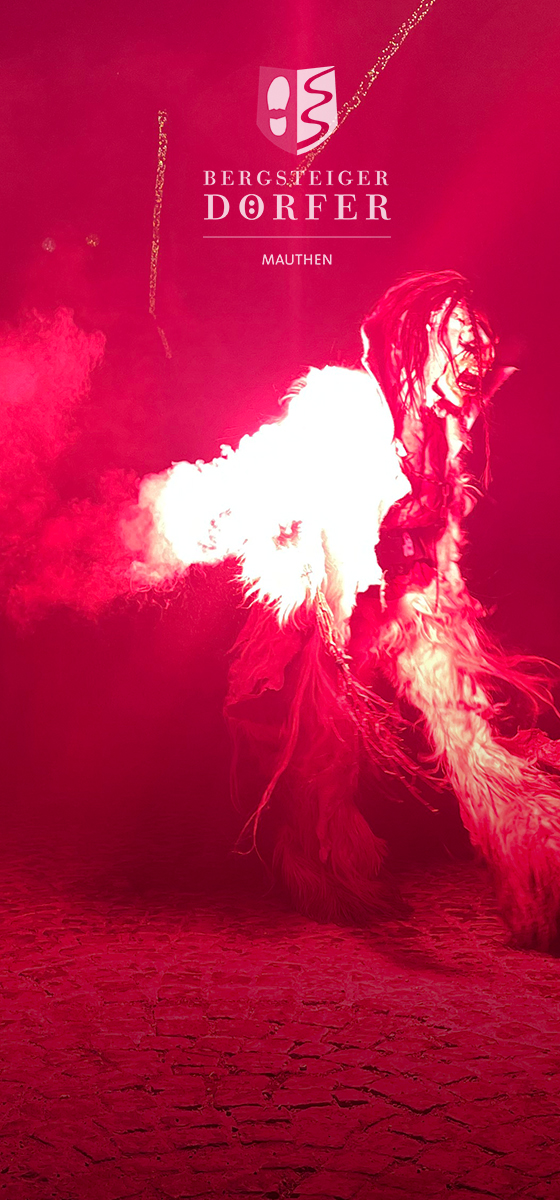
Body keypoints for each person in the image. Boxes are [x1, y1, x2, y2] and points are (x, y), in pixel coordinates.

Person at [136, 271, 560, 949]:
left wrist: (439, 606)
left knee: (470, 731)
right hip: (327, 595)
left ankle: (542, 882)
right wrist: (333, 634)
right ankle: (323, 873)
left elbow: (438, 528)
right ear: (418, 343)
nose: (477, 358)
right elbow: (337, 537)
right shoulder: (352, 410)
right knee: (320, 744)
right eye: (459, 340)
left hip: (403, 592)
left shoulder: (447, 425)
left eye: (480, 341)